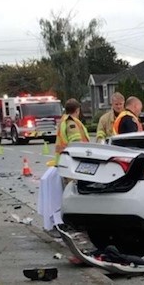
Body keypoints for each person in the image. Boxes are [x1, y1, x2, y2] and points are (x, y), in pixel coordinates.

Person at [38, 98, 90, 233]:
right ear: (77, 110)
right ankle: (73, 223)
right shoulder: (71, 124)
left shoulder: (63, 121)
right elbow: (76, 145)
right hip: (72, 165)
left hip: (64, 163)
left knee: (68, 194)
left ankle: (70, 222)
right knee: (73, 194)